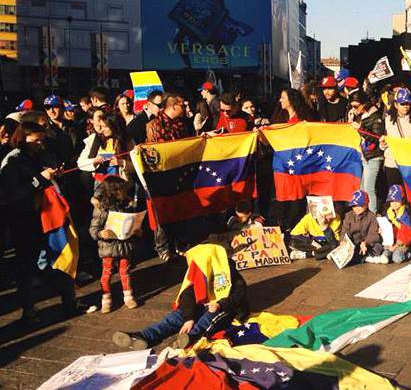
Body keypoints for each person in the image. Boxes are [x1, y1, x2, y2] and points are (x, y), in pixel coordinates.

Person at [0, 122, 77, 324]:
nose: (40, 144)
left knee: (60, 257)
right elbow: (13, 194)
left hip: (47, 216)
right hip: (24, 220)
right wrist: (39, 179)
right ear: (23, 139)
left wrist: (53, 175)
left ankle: (69, 303)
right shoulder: (13, 161)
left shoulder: (39, 156)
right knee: (26, 265)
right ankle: (28, 309)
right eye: (36, 140)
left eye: (42, 140)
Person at [112, 241, 248, 350]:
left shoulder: (230, 273)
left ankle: (192, 337)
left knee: (208, 319)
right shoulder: (197, 273)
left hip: (224, 308)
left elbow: (239, 296)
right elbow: (187, 295)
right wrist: (189, 317)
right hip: (201, 304)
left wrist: (220, 304)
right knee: (175, 317)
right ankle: (145, 336)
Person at [89, 176, 140, 313]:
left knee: (125, 271)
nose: (124, 192)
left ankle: (128, 296)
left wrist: (137, 230)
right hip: (109, 246)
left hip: (124, 245)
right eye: (121, 190)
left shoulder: (127, 205)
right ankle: (106, 299)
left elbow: (131, 222)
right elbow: (93, 229)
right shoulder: (102, 209)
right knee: (107, 272)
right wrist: (100, 234)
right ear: (114, 191)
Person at [380, 87, 411, 188]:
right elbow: (383, 141)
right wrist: (382, 144)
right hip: (393, 163)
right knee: (395, 195)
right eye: (402, 104)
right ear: (396, 105)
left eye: (408, 103)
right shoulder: (388, 120)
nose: (406, 106)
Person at [349, 90, 384, 211]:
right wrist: (352, 119)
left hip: (374, 157)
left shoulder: (375, 116)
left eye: (355, 106)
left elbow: (377, 138)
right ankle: (365, 214)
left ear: (364, 104)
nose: (354, 109)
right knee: (363, 188)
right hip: (366, 157)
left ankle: (372, 216)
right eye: (352, 106)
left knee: (369, 188)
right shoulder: (362, 116)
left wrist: (360, 128)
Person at [78, 111, 135, 185]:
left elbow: (137, 167)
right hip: (100, 182)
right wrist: (94, 161)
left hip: (121, 184)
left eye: (105, 127)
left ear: (114, 126)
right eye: (101, 126)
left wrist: (122, 162)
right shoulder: (95, 139)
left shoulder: (127, 141)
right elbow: (80, 163)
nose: (101, 130)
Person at [341, 190, 386, 264]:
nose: (357, 208)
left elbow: (373, 233)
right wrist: (343, 241)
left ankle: (362, 257)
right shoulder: (348, 215)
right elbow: (345, 230)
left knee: (378, 248)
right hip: (353, 243)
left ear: (366, 204)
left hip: (367, 243)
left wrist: (366, 242)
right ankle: (363, 257)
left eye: (360, 205)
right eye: (354, 206)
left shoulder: (371, 216)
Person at [380, 185, 411, 264]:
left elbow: (406, 234)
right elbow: (386, 227)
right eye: (391, 201)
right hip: (391, 240)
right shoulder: (389, 213)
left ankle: (408, 253)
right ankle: (387, 255)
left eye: (397, 201)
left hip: (401, 243)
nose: (394, 204)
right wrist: (382, 230)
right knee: (385, 252)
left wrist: (395, 246)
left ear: (402, 200)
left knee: (397, 258)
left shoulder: (405, 215)